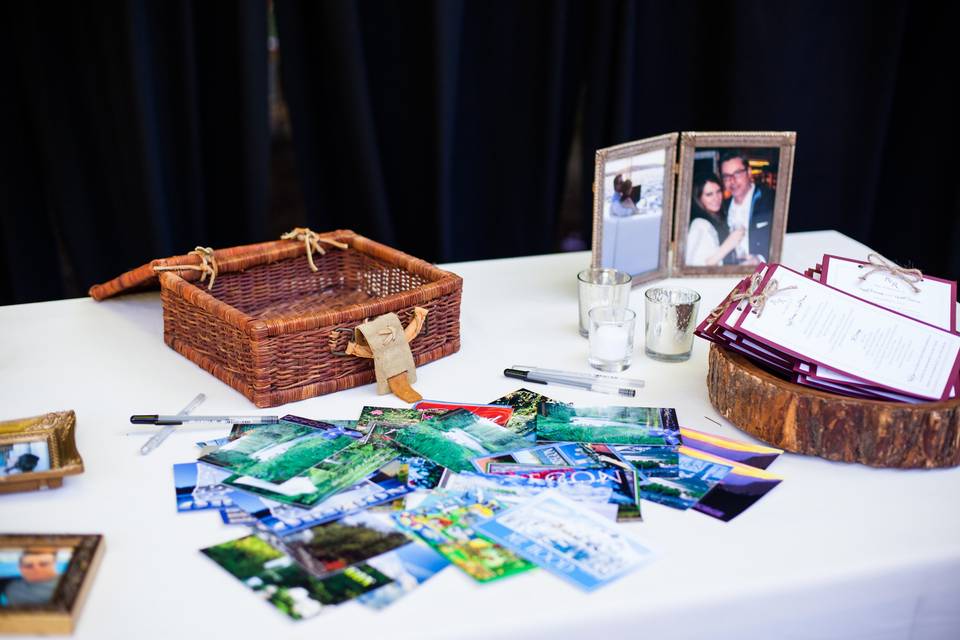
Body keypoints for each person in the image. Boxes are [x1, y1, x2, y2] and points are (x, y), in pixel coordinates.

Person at [720, 150, 776, 264]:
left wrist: (760, 260)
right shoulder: (721, 207)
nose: (732, 181)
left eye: (737, 173)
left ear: (749, 172)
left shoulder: (771, 199)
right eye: (727, 176)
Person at [685, 173, 743, 266]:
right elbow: (695, 266)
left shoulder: (721, 216)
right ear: (699, 199)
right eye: (709, 194)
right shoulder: (699, 225)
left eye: (718, 191)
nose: (716, 198)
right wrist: (729, 243)